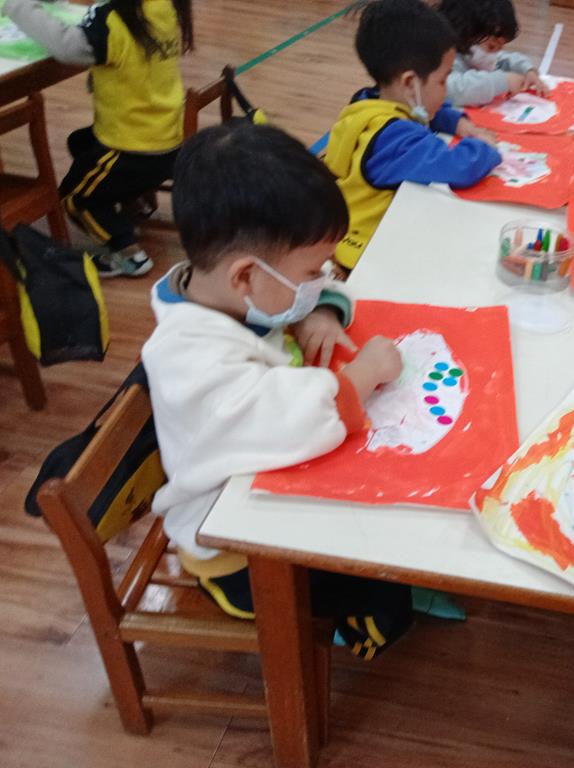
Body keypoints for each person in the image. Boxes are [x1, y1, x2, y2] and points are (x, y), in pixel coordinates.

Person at [142, 121, 412, 658]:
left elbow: (316, 289)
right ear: (244, 275)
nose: (322, 277)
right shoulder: (189, 356)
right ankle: (354, 632)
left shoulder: (228, 289)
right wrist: (363, 376)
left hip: (271, 492)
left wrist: (321, 311)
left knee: (390, 527)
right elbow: (285, 418)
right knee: (387, 588)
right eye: (311, 272)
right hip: (234, 552)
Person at [2, 0, 193, 277]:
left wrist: (18, 6)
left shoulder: (113, 19)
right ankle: (125, 201)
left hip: (132, 148)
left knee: (74, 198)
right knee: (80, 143)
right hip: (165, 138)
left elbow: (68, 48)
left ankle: (129, 254)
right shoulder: (164, 6)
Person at [325, 0, 501, 272]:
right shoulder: (397, 139)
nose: (446, 90)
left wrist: (457, 123)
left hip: (341, 224)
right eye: (442, 80)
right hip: (366, 251)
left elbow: (422, 112)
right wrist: (486, 148)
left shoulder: (369, 102)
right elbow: (457, 167)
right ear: (409, 83)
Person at [437, 0, 547, 107]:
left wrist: (527, 70)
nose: (495, 54)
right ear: (466, 33)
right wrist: (502, 81)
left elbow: (503, 59)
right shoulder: (442, 58)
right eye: (491, 47)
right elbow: (452, 89)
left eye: (500, 48)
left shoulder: (475, 53)